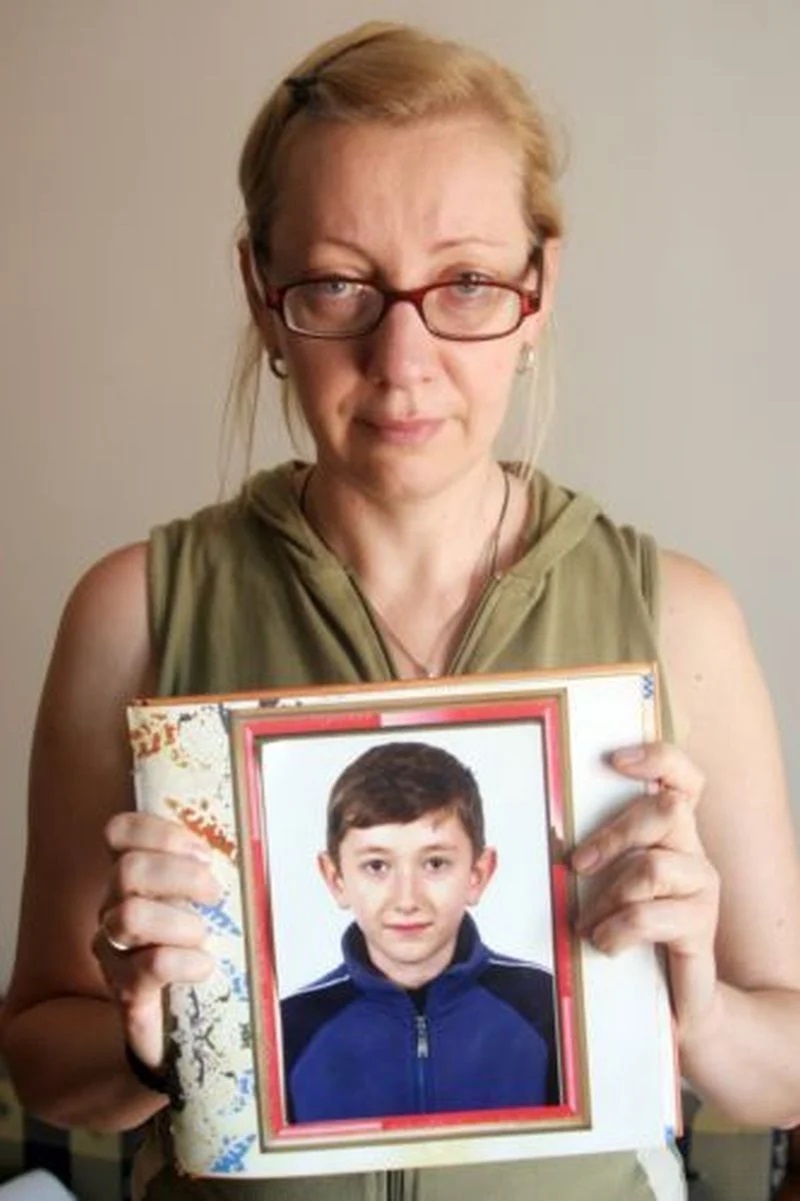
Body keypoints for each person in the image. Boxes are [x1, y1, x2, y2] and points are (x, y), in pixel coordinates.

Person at [1, 17, 800, 1201]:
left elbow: (782, 1071)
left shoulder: (676, 616)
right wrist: (143, 1034)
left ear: (537, 292)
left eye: (466, 282)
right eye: (338, 284)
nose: (403, 357)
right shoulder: (135, 610)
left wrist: (701, 1005)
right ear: (262, 295)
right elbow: (39, 1051)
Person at [281, 740, 559, 1122]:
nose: (407, 899)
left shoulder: (548, 1007)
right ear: (336, 879)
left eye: (435, 863)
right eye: (377, 866)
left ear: (477, 875)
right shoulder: (288, 1031)